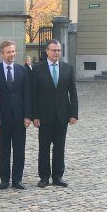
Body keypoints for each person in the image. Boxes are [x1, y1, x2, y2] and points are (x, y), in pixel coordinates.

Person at [32, 39, 78, 188]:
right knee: (43, 148)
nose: (57, 53)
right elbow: (34, 94)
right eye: (54, 50)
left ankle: (58, 176)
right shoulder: (38, 69)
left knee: (59, 148)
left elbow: (73, 93)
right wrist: (35, 115)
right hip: (44, 116)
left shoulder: (68, 68)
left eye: (58, 50)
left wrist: (74, 114)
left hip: (62, 115)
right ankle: (44, 177)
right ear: (47, 51)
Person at [0, 40, 31, 190]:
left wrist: (28, 116)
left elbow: (27, 94)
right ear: (2, 54)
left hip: (19, 117)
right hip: (2, 118)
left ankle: (17, 180)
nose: (12, 54)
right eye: (9, 52)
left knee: (19, 149)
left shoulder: (23, 70)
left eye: (13, 51)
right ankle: (4, 179)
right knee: (4, 149)